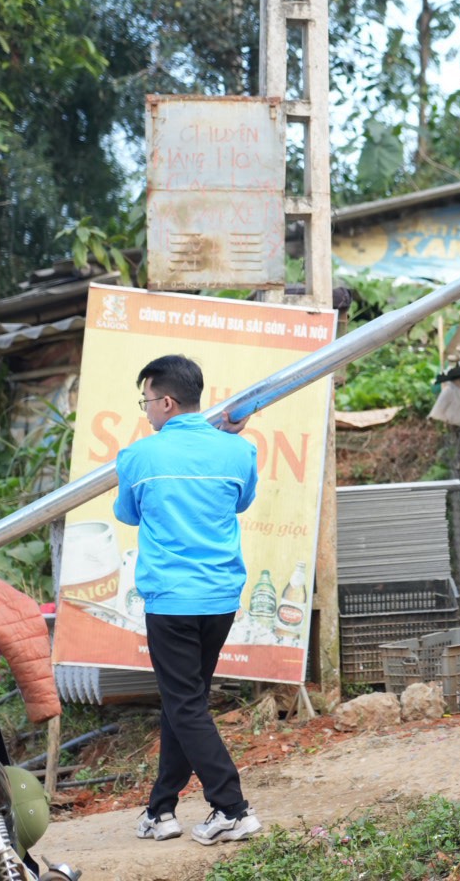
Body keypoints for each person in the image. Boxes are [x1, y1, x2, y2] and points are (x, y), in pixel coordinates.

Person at [117, 354, 263, 846]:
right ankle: (161, 811)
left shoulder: (139, 457)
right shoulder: (238, 452)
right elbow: (240, 502)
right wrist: (229, 439)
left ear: (167, 400)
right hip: (220, 598)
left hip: (172, 601)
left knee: (185, 704)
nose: (147, 412)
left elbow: (129, 514)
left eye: (147, 402)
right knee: (186, 702)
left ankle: (232, 808)